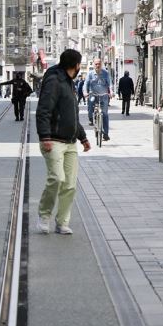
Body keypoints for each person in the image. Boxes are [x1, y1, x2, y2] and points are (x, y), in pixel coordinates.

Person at [36, 49, 91, 235]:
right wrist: (44, 136)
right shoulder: (55, 81)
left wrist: (82, 137)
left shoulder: (69, 83)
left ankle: (62, 222)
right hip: (53, 140)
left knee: (70, 185)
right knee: (57, 178)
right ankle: (44, 215)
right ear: (75, 65)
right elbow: (43, 109)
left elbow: (72, 115)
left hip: (70, 142)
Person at [85, 58, 112, 141]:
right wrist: (85, 92)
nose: (97, 65)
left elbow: (110, 84)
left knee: (105, 114)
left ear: (101, 64)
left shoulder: (106, 73)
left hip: (103, 96)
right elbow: (85, 84)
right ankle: (90, 118)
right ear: (94, 65)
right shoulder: (90, 74)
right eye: (96, 64)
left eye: (99, 64)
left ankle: (106, 134)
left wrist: (111, 92)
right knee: (90, 103)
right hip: (93, 95)